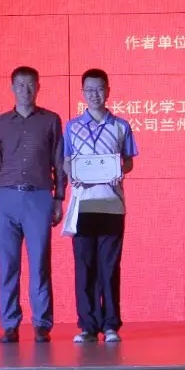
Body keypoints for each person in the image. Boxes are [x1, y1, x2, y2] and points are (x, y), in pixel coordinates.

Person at [0, 66, 66, 344]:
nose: (25, 90)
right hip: (6, 198)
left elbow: (59, 162)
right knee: (8, 264)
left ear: (38, 86)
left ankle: (42, 323)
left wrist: (59, 198)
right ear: (12, 88)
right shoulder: (0, 123)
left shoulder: (51, 120)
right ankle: (10, 324)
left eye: (31, 84)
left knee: (40, 262)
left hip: (39, 197)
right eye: (20, 85)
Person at [63, 68, 138, 343]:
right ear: (82, 93)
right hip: (82, 204)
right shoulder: (72, 127)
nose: (94, 94)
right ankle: (87, 325)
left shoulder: (121, 126)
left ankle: (110, 325)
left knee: (109, 266)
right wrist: (71, 173)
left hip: (112, 205)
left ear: (108, 91)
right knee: (84, 266)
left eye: (99, 89)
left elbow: (128, 162)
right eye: (89, 90)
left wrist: (120, 169)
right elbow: (66, 160)